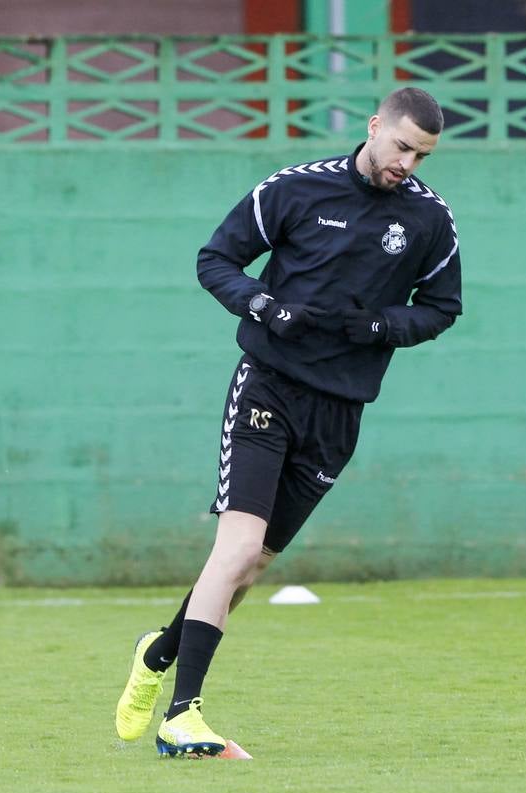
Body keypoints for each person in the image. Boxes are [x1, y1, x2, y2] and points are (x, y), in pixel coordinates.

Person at [114, 87, 462, 757]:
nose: (407, 164)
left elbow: (442, 308)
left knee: (251, 567)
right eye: (400, 147)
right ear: (373, 128)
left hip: (340, 412)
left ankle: (159, 652)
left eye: (420, 154)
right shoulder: (296, 190)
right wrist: (261, 306)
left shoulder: (429, 221)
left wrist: (383, 324)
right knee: (237, 548)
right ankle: (182, 715)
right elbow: (215, 259)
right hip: (267, 386)